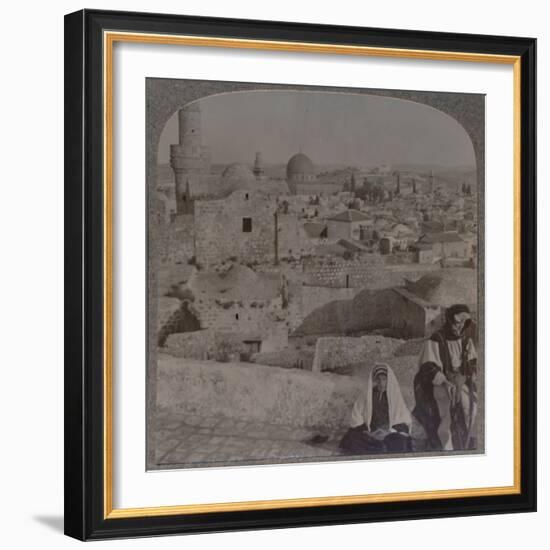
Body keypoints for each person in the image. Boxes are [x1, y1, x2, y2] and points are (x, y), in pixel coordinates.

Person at [412, 304, 478, 451]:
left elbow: (473, 363)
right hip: (441, 382)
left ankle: (469, 442)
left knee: (471, 408)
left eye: (462, 323)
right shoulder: (436, 339)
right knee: (447, 411)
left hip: (461, 382)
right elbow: (428, 366)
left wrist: (467, 376)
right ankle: (446, 447)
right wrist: (446, 382)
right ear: (449, 321)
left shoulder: (466, 341)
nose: (459, 327)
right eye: (456, 323)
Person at [340, 363, 412, 454]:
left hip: (388, 433)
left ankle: (379, 447)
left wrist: (388, 432)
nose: (381, 383)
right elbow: (357, 414)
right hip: (370, 432)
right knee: (352, 438)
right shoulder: (368, 394)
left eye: (384, 379)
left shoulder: (395, 396)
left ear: (389, 380)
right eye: (378, 379)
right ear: (375, 380)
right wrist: (368, 431)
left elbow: (403, 419)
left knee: (400, 442)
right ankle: (378, 448)